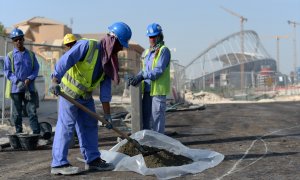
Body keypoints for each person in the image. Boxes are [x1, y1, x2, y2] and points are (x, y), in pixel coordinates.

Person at [49, 22, 132, 175]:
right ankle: (59, 164)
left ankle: (93, 160)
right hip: (68, 94)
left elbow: (105, 93)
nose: (121, 49)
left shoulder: (109, 62)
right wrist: (55, 80)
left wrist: (107, 116)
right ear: (113, 40)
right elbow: (66, 60)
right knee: (66, 127)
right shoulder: (87, 46)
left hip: (85, 98)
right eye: (121, 45)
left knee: (90, 127)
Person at [129, 23, 171, 134]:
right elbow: (144, 69)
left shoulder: (163, 51)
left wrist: (142, 76)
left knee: (156, 120)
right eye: (150, 37)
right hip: (147, 91)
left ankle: (158, 144)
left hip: (157, 92)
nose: (151, 39)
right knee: (145, 119)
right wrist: (137, 76)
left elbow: (158, 70)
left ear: (159, 36)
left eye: (154, 36)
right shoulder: (147, 52)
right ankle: (147, 143)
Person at [4, 28, 40, 134]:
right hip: (16, 90)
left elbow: (36, 68)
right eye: (15, 40)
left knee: (32, 112)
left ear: (23, 39)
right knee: (17, 113)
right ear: (13, 42)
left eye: (20, 39)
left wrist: (29, 78)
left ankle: (36, 133)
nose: (18, 41)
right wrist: (16, 81)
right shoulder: (10, 56)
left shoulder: (31, 55)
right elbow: (7, 71)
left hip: (30, 89)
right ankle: (19, 133)